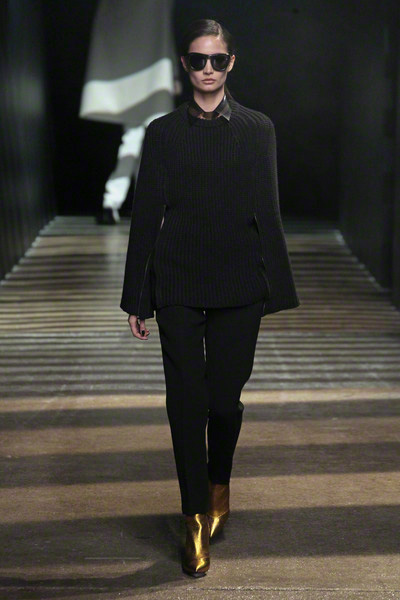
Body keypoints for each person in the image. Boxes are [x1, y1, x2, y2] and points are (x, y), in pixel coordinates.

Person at [120, 18, 300, 578]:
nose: (207, 69)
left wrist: (278, 288)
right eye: (197, 60)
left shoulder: (257, 128)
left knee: (223, 401)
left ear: (231, 63)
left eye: (216, 60)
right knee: (185, 403)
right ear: (185, 64)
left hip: (239, 285)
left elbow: (267, 209)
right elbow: (146, 214)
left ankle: (219, 481)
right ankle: (194, 515)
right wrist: (137, 296)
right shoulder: (162, 133)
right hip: (176, 281)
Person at [79, 0, 180, 224]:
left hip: (143, 78)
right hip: (154, 78)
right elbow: (164, 36)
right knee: (150, 144)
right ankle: (146, 204)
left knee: (136, 142)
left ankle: (115, 201)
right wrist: (173, 72)